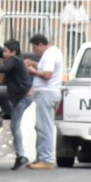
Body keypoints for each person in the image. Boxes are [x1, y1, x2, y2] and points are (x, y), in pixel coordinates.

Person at [0, 34, 34, 170]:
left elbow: (5, 68)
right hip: (14, 94)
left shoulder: (15, 60)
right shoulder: (12, 56)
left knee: (15, 127)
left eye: (6, 51)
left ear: (13, 52)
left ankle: (21, 156)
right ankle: (1, 110)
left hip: (23, 98)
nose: (3, 53)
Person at [24, 33, 64, 170]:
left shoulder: (48, 55)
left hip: (46, 93)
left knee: (44, 127)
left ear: (41, 44)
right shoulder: (54, 51)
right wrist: (34, 63)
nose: (35, 51)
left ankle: (46, 159)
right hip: (51, 93)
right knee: (41, 126)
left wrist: (31, 70)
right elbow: (46, 67)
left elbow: (47, 74)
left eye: (35, 48)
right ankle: (41, 157)